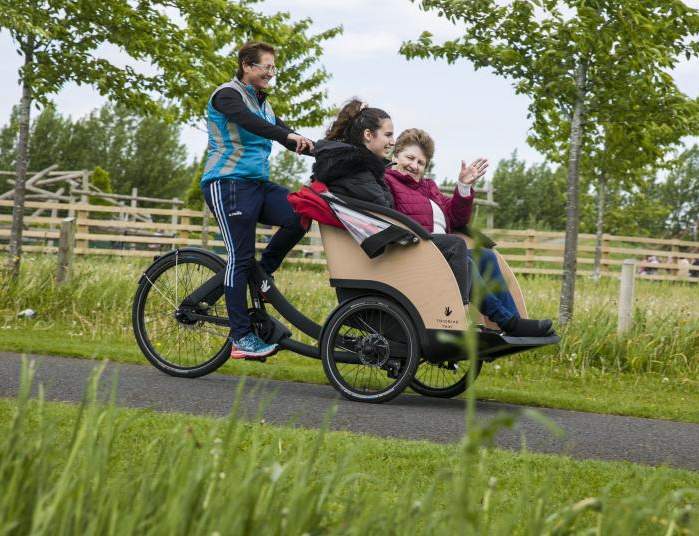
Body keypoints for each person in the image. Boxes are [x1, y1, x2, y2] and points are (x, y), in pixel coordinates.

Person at [202, 41, 314, 359]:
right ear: (246, 66)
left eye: (273, 68)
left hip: (257, 185)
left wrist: (334, 152)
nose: (270, 73)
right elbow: (255, 126)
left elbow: (286, 134)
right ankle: (241, 337)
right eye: (266, 66)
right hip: (227, 185)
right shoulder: (227, 95)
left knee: (301, 211)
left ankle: (263, 272)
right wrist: (285, 136)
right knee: (240, 257)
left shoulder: (263, 103)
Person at [384, 128, 552, 338]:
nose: (414, 166)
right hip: (417, 253)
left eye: (421, 163)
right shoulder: (388, 183)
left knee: (486, 257)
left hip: (443, 252)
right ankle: (507, 322)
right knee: (463, 254)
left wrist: (463, 187)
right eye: (410, 157)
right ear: (395, 155)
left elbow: (456, 218)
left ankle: (515, 321)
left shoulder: (428, 188)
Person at [311, 99, 472, 309]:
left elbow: (384, 206)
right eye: (388, 135)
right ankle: (459, 315)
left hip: (390, 242)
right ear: (369, 135)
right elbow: (385, 210)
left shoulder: (363, 169)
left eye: (421, 162)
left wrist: (463, 188)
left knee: (467, 256)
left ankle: (496, 319)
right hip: (387, 249)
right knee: (455, 245)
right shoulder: (356, 170)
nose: (391, 141)